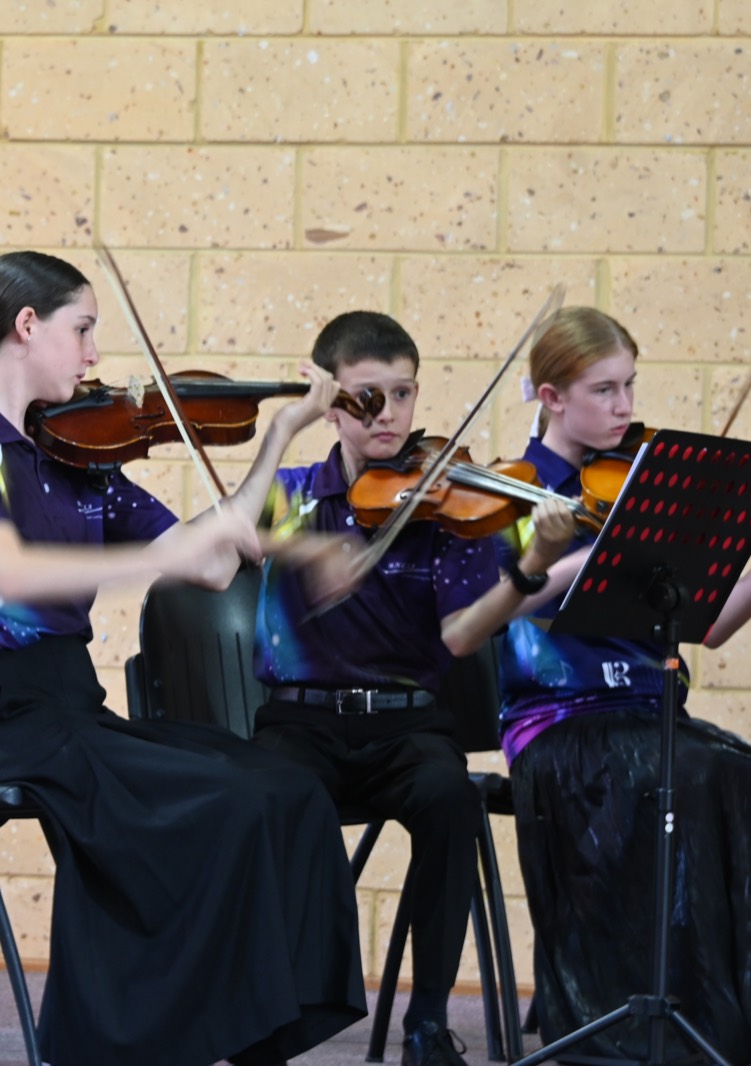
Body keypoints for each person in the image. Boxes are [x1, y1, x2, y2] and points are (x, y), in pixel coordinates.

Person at [0, 250, 368, 1066]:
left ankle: (252, 1038)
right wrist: (147, 567)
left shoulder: (77, 457)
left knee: (287, 790)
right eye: (83, 330)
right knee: (223, 806)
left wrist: (278, 432)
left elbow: (211, 560)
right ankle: (120, 1042)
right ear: (27, 328)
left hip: (71, 712)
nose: (96, 355)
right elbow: (9, 572)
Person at [495, 306, 751, 1066]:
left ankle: (741, 1024)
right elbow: (507, 603)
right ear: (552, 397)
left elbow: (711, 625)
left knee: (743, 776)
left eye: (630, 387)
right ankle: (627, 1024)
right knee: (678, 775)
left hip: (646, 711)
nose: (626, 408)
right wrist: (587, 548)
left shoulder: (639, 489)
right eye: (604, 391)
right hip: (560, 724)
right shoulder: (515, 495)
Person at [220, 310, 576, 1066]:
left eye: (404, 393)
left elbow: (460, 636)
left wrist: (529, 567)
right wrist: (290, 450)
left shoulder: (446, 510)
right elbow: (227, 537)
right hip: (298, 723)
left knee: (450, 801)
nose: (389, 414)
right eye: (365, 396)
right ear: (332, 401)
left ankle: (426, 1021)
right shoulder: (293, 491)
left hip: (409, 725)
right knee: (275, 801)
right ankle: (271, 1018)